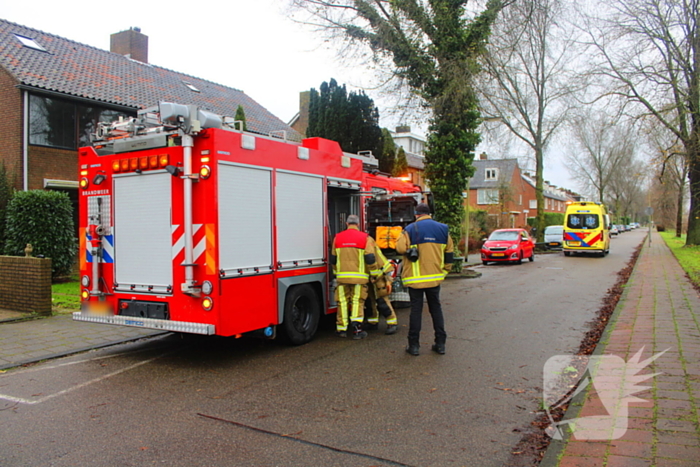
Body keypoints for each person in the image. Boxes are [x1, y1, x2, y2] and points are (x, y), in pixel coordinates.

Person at [396, 203, 454, 356]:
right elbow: (449, 254)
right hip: (435, 278)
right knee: (436, 309)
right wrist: (445, 271)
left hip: (415, 280)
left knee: (416, 311)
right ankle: (440, 344)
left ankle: (414, 346)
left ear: (416, 215)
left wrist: (410, 250)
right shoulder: (443, 229)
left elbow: (400, 248)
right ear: (430, 214)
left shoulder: (410, 229)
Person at [331, 214, 380, 339]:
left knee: (342, 302)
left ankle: (341, 329)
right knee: (357, 301)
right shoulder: (365, 238)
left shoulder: (338, 238)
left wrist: (337, 272)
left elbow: (333, 258)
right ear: (358, 224)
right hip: (359, 277)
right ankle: (357, 330)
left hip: (342, 277)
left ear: (346, 224)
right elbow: (370, 258)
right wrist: (374, 274)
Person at [364, 247, 399, 335]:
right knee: (369, 299)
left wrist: (376, 275)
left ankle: (392, 323)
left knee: (382, 299)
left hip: (379, 271)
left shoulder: (367, 241)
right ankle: (373, 322)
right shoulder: (363, 240)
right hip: (369, 273)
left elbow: (371, 257)